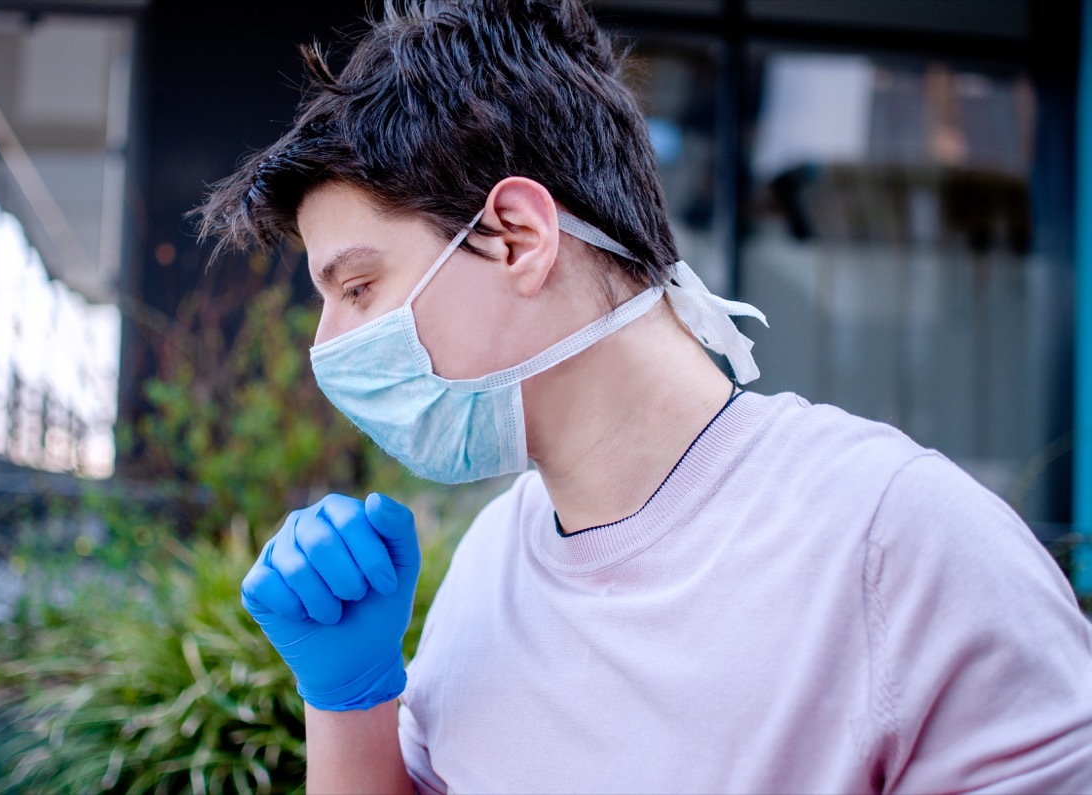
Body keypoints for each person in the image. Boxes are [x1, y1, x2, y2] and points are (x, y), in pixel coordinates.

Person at [197, 1, 1092, 792]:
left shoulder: (896, 540)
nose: (329, 346)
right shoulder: (492, 560)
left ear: (516, 237)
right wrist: (349, 702)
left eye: (357, 288)